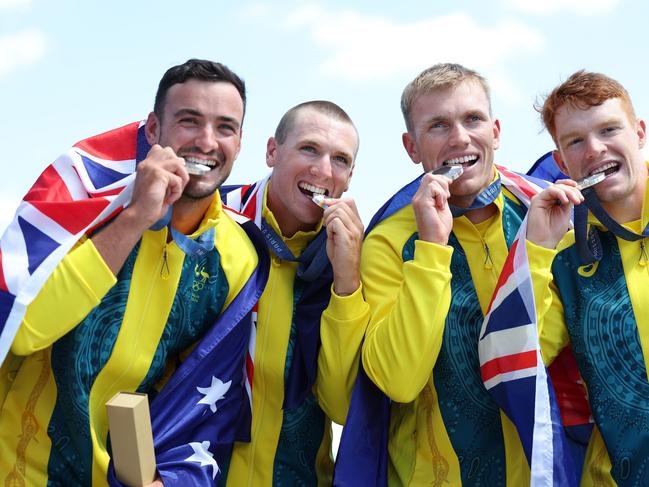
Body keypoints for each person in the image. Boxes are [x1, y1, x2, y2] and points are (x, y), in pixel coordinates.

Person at [0, 59, 262, 486]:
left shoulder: (239, 258)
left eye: (225, 127)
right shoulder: (88, 204)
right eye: (189, 121)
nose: (207, 141)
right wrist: (136, 217)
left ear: (240, 140)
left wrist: (174, 481)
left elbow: (205, 401)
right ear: (154, 130)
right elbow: (24, 327)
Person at [355, 63, 533, 485]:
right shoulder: (385, 241)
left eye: (472, 119)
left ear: (496, 130)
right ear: (411, 147)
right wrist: (432, 249)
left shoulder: (539, 214)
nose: (460, 138)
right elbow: (398, 380)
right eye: (438, 126)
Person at [219, 100, 369, 486]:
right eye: (309, 149)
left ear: (350, 177)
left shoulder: (355, 254)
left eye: (340, 159)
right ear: (272, 151)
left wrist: (347, 279)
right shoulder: (211, 222)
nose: (322, 170)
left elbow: (340, 403)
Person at [526, 70, 649, 485]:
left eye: (609, 129)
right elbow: (522, 362)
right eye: (575, 140)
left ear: (640, 133)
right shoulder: (562, 256)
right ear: (562, 162)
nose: (595, 149)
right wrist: (537, 249)